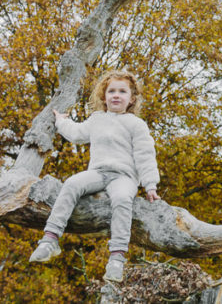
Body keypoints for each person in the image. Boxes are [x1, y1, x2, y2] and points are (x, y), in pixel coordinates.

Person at [29, 69, 160, 283]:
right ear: (104, 96)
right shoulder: (97, 119)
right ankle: (50, 239)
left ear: (132, 99)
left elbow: (145, 155)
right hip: (97, 173)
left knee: (122, 200)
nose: (116, 95)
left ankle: (117, 257)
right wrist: (61, 122)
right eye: (111, 91)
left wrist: (150, 185)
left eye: (122, 91)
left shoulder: (136, 125)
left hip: (124, 177)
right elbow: (78, 133)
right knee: (71, 184)